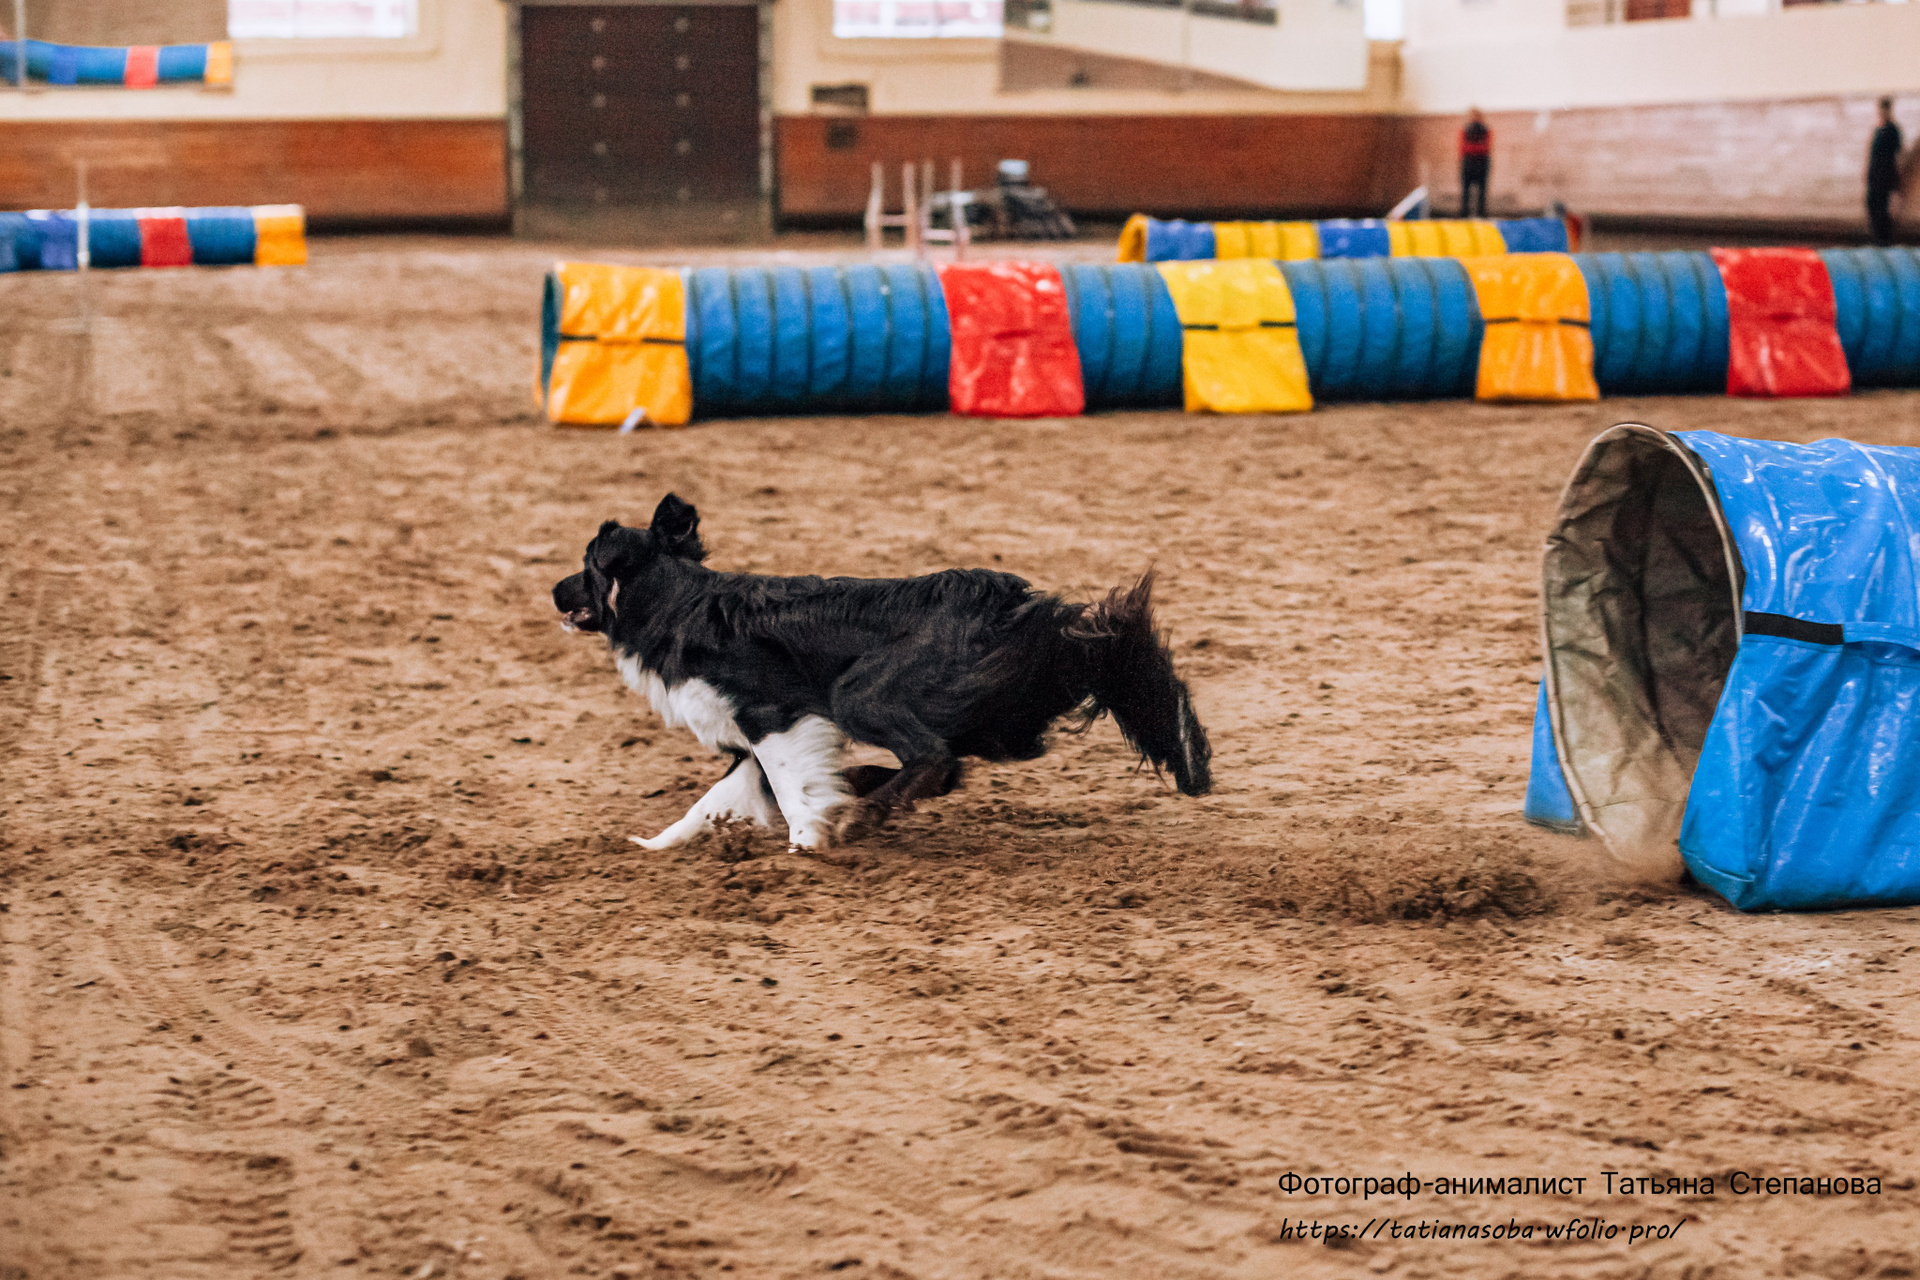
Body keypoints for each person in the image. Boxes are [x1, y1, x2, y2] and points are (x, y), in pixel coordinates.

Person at [1867, 97, 1903, 247]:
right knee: (1873, 204)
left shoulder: (1891, 129)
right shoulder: (1879, 128)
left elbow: (1896, 153)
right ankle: (1878, 238)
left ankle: (1883, 240)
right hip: (1875, 174)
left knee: (1881, 207)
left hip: (1884, 175)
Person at [1459, 108, 1492, 219]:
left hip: (1481, 162)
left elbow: (1486, 148)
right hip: (1469, 162)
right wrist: (1476, 148)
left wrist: (1473, 149)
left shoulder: (1485, 130)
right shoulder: (1466, 130)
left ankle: (1481, 214)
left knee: (1482, 190)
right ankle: (1464, 214)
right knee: (1466, 190)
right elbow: (1463, 148)